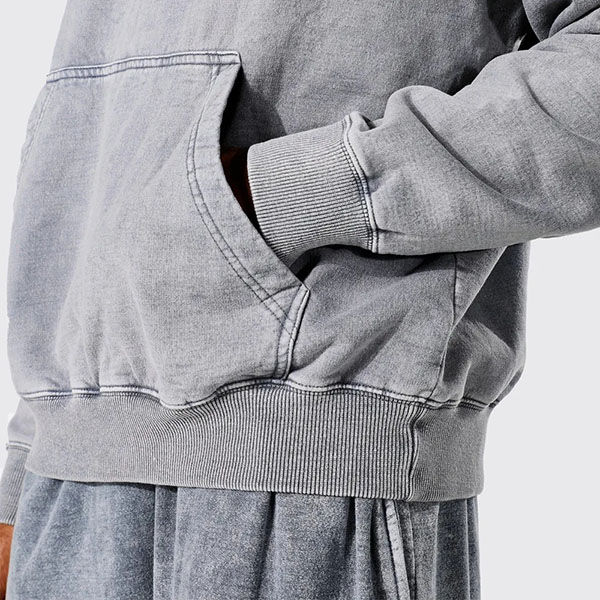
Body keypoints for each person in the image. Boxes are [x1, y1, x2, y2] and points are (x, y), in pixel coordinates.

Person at [0, 0, 599, 598]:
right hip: (62, 491)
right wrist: (22, 470)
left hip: (310, 464)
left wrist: (288, 192)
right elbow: (104, 157)